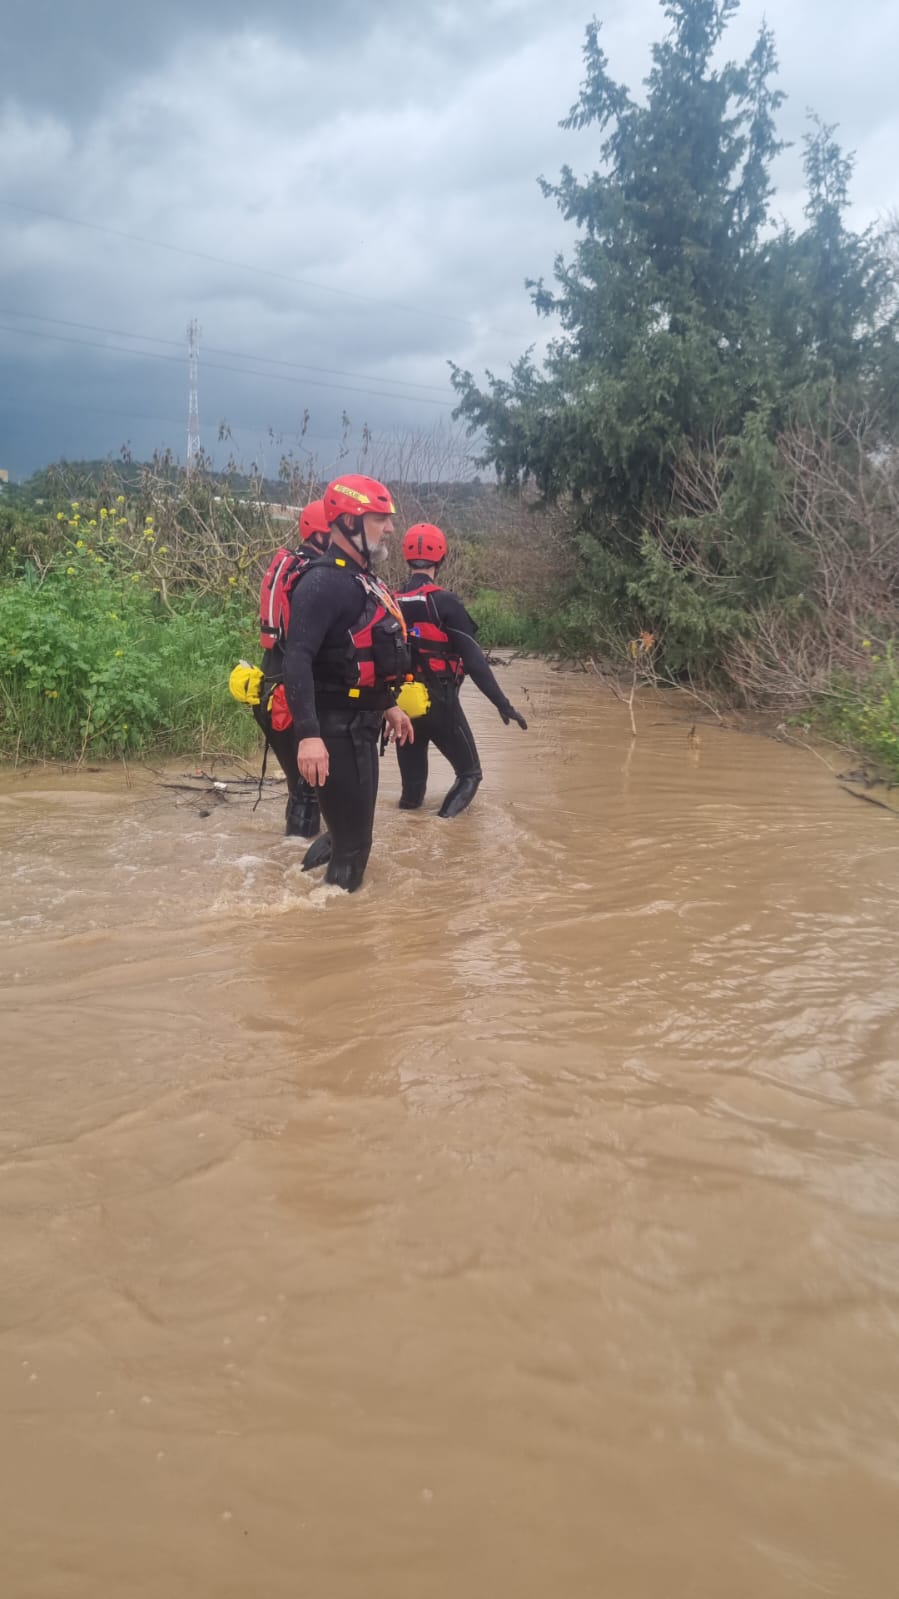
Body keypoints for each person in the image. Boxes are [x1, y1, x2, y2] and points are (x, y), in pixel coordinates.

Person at [281, 475, 414, 892]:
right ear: (349, 522)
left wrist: (388, 705)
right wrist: (308, 737)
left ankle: (309, 900)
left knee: (348, 838)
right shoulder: (322, 583)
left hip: (358, 725)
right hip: (333, 732)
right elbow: (297, 657)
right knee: (354, 847)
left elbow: (352, 655)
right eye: (379, 518)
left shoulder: (360, 580)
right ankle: (331, 943)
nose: (390, 527)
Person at [394, 522, 527, 818]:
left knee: (412, 793)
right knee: (470, 775)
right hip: (441, 703)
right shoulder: (446, 602)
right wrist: (502, 705)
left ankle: (407, 836)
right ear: (441, 558)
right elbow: (475, 662)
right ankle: (443, 829)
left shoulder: (392, 600)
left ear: (406, 556)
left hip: (403, 707)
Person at [253, 499, 331, 838]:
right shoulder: (314, 578)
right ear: (323, 535)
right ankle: (294, 867)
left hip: (268, 690)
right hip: (291, 696)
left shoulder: (286, 565)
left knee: (300, 786)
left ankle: (289, 856)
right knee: (308, 789)